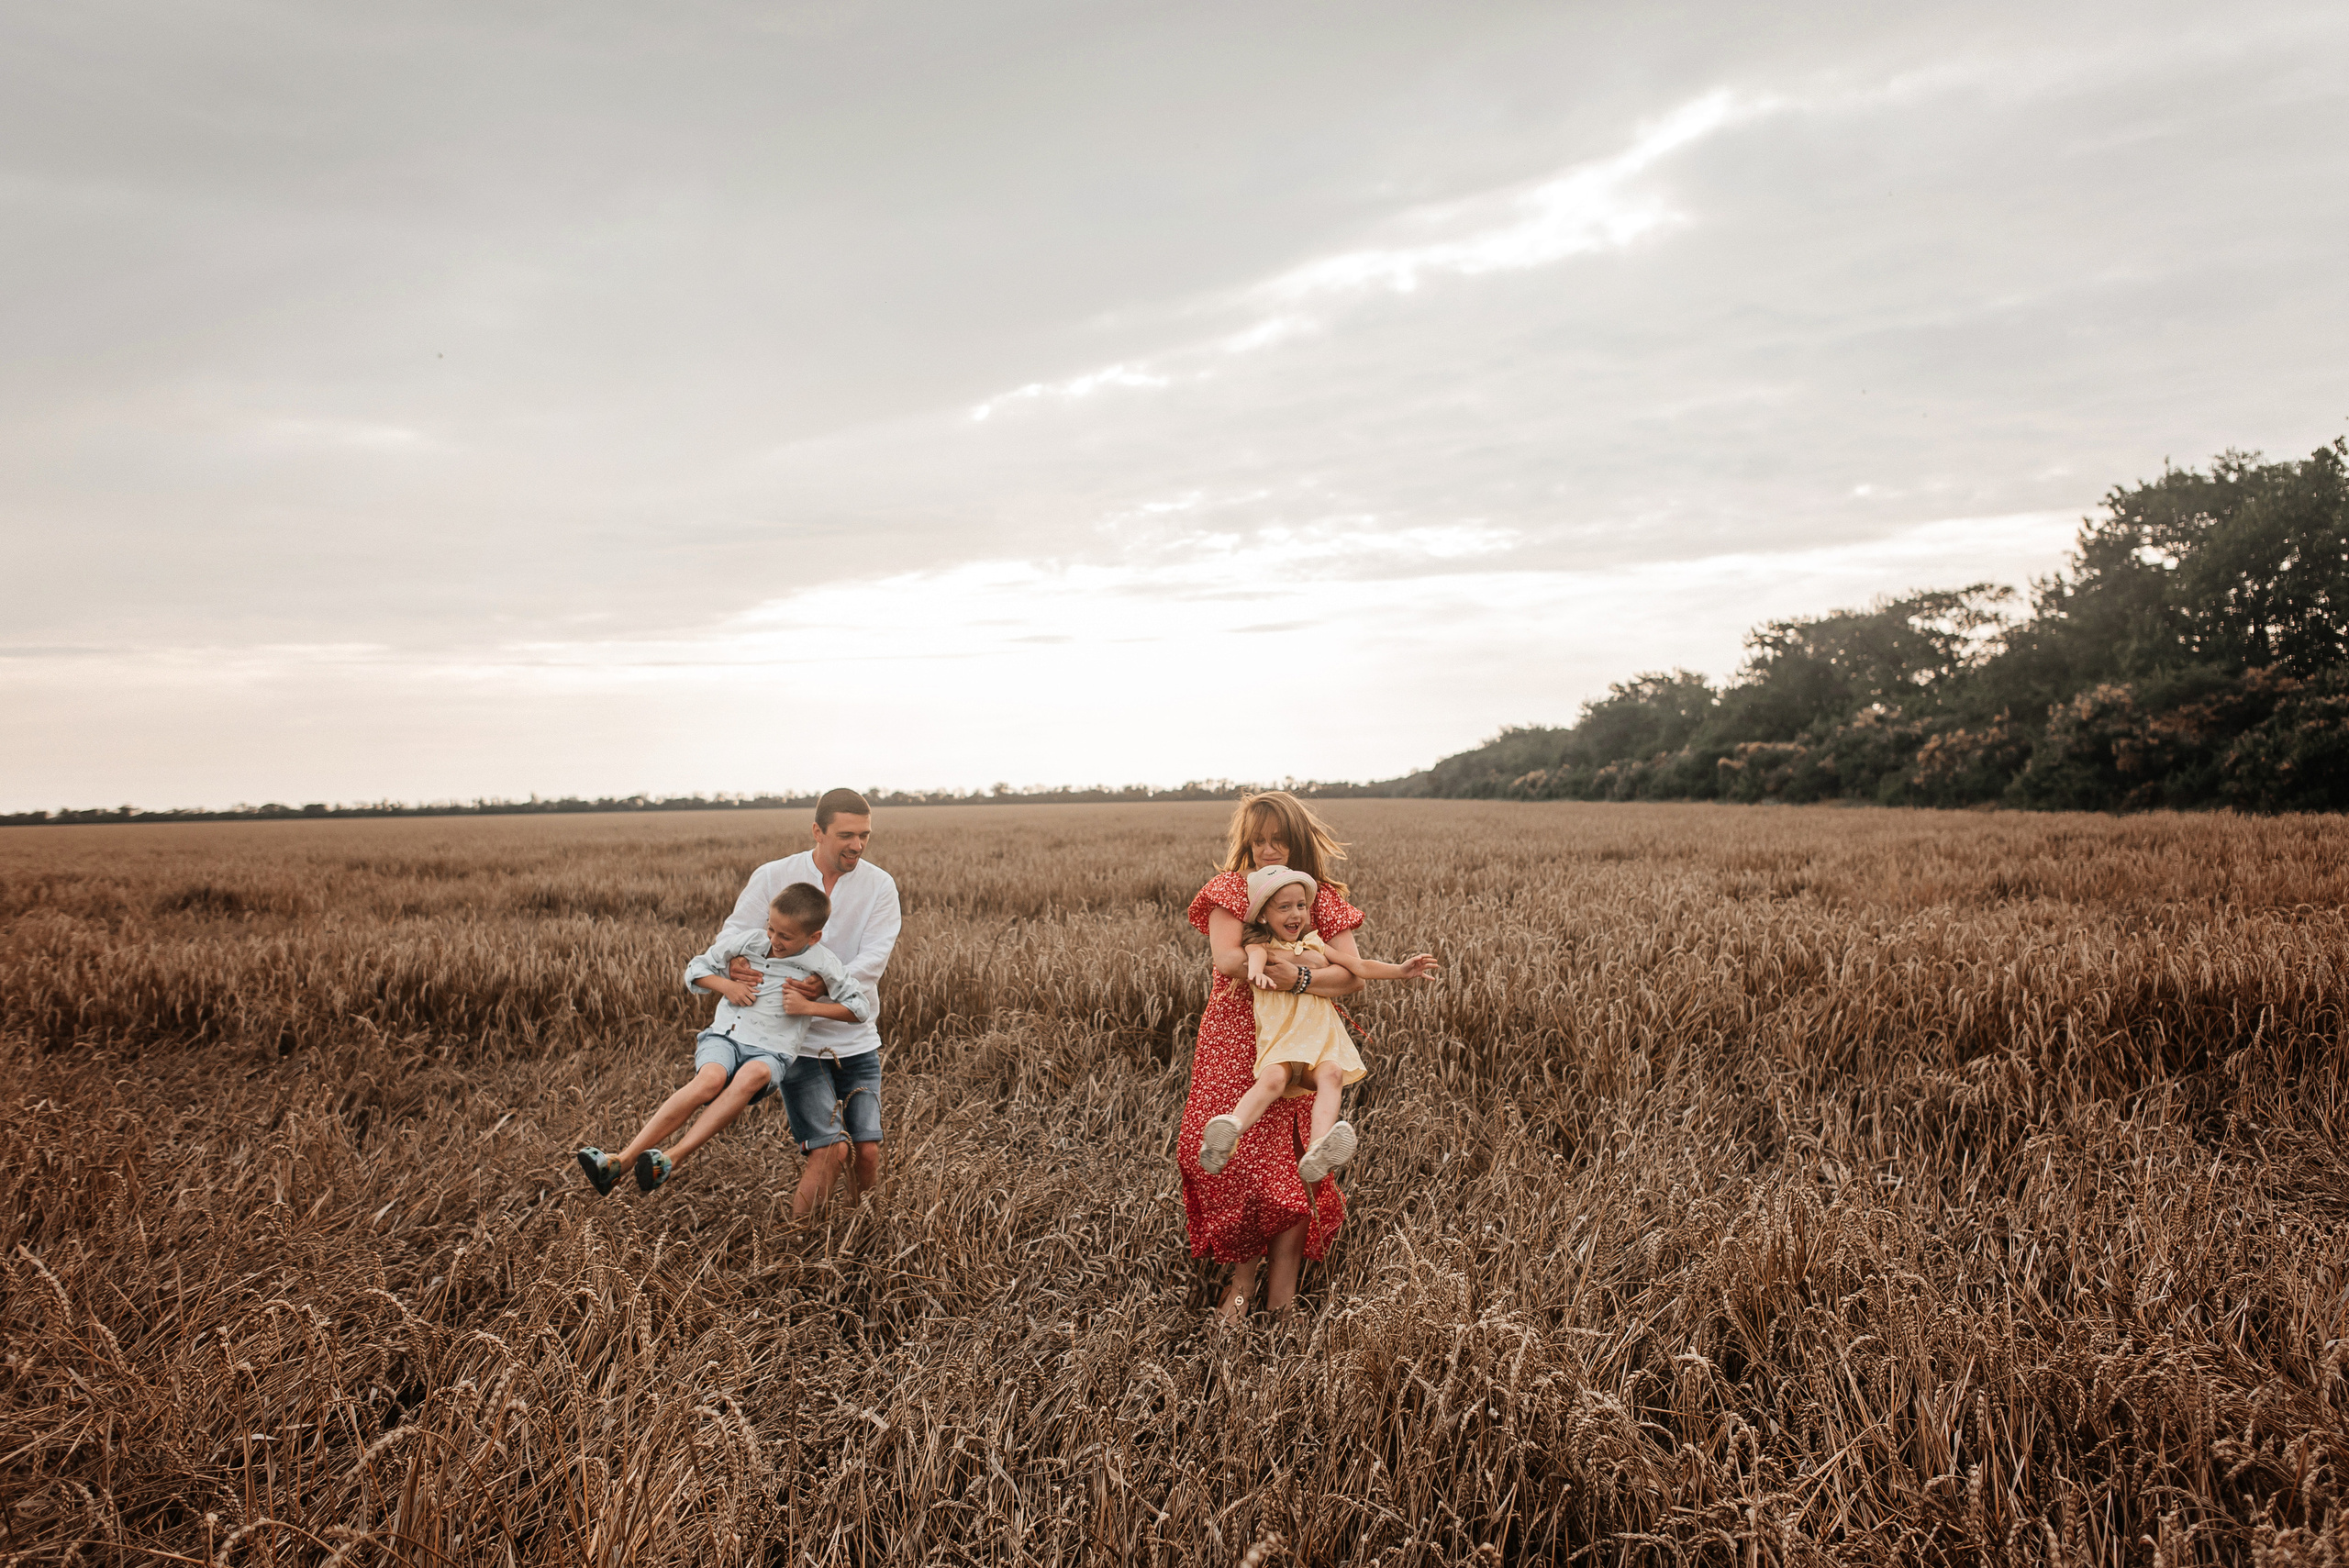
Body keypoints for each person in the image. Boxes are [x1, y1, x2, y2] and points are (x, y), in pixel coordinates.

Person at [1180, 790, 1378, 1322]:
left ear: (1297, 840)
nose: (1268, 849)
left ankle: (1282, 1300)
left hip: (1299, 1036)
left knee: (1291, 1170)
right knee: (1234, 1159)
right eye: (1259, 840)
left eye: (1279, 839)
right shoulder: (1231, 889)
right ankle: (1241, 1285)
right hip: (1234, 1036)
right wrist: (1266, 956)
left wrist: (1301, 976)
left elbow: (1350, 978)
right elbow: (1225, 959)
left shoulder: (1322, 897)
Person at [574, 882, 870, 1195]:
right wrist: (726, 985)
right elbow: (697, 968)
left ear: (814, 938)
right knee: (710, 1080)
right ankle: (620, 1161)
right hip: (726, 1036)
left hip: (771, 1052)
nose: (774, 940)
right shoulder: (750, 942)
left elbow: (859, 1008)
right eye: (771, 928)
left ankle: (671, 1159)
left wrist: (809, 1006)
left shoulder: (823, 963)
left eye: (785, 936)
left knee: (753, 1074)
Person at [718, 787, 902, 1216]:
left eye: (865, 835)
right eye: (846, 835)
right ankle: (794, 1247)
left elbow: (875, 956)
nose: (857, 845)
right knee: (831, 1151)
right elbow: (731, 935)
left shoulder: (879, 885)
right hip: (793, 1040)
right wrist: (737, 962)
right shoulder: (772, 875)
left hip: (855, 1038)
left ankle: (864, 1232)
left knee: (868, 1151)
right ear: (817, 831)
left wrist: (826, 983)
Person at [1197, 864, 1437, 1186]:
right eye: (1284, 907)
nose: (1296, 913)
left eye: (1301, 905)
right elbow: (1250, 959)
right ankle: (1227, 1134)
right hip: (1281, 1043)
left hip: (1317, 1044)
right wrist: (1258, 971)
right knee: (1271, 1082)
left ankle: (1318, 1149)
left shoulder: (1316, 944)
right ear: (1264, 916)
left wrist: (1400, 970)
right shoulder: (1262, 947)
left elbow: (1358, 967)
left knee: (1332, 1074)